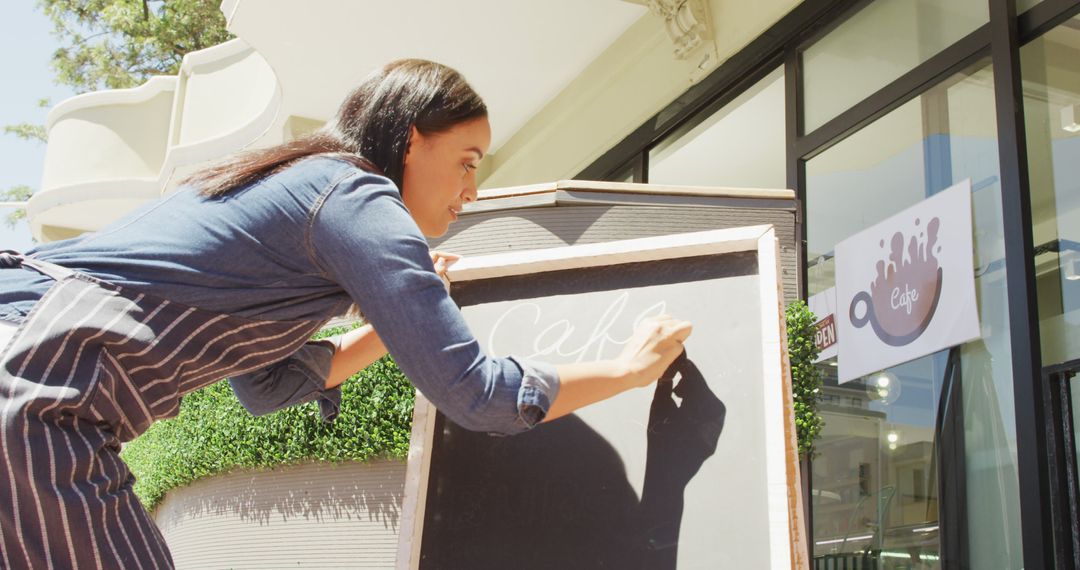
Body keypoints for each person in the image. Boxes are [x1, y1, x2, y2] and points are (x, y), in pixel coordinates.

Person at [0, 58, 692, 569]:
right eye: (466, 161)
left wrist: (396, 325)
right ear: (412, 140)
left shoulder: (299, 184)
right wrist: (630, 371)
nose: (473, 190)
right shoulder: (354, 193)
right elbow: (477, 396)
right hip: (42, 387)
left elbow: (267, 388)